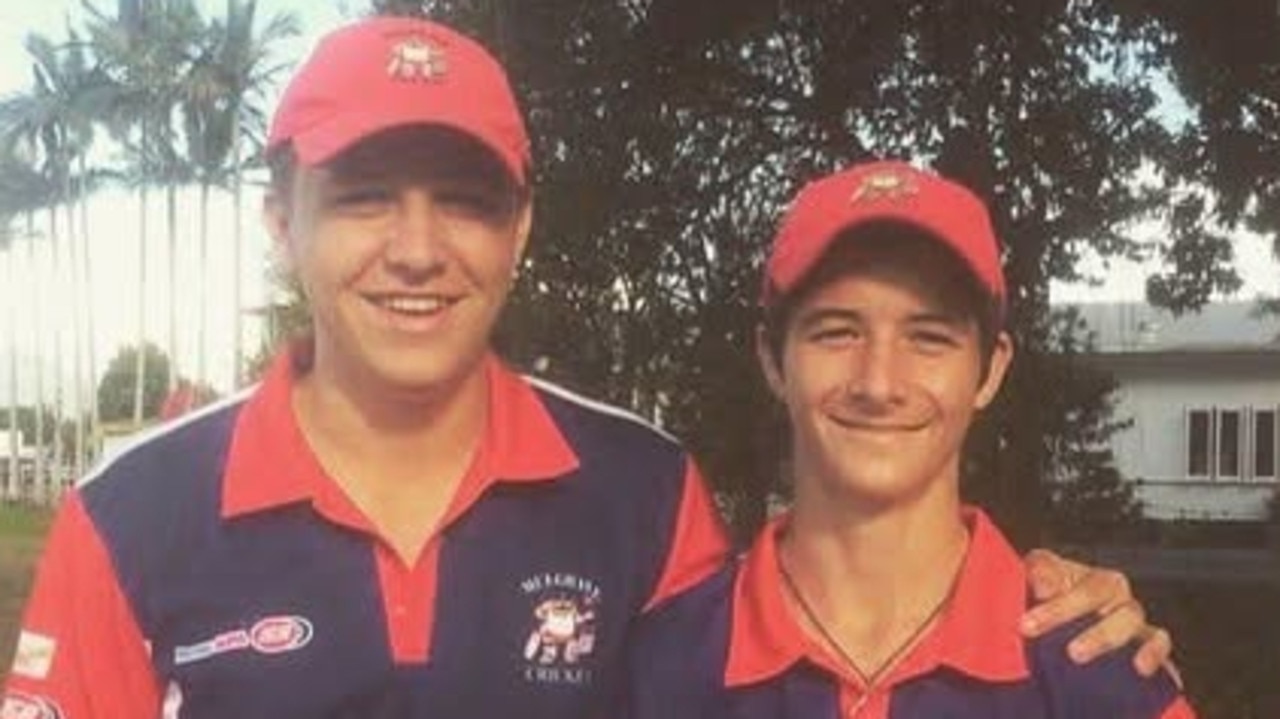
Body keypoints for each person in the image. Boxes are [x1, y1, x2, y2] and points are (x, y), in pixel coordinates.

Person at [4, 17, 1169, 719]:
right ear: (281, 221)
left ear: (518, 228)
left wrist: (1059, 607)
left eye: (463, 200)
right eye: (363, 199)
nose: (416, 249)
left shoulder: (638, 489)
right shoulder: (129, 513)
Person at [619, 161, 1195, 719]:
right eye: (837, 332)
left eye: (929, 338)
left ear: (990, 371)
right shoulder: (663, 665)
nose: (878, 383)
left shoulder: (1091, 669)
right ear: (773, 359)